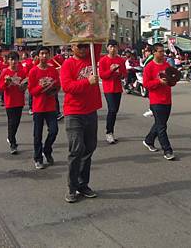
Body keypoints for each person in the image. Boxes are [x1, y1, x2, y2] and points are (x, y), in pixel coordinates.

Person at [60, 42, 102, 203]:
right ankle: (72, 187)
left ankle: (83, 185)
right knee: (76, 149)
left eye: (86, 46)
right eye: (80, 46)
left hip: (91, 111)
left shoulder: (92, 57)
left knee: (89, 148)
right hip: (74, 113)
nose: (84, 49)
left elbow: (97, 39)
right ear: (72, 47)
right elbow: (67, 86)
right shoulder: (68, 64)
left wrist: (89, 18)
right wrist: (87, 82)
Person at [28, 46, 60, 169]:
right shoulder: (33, 71)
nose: (44, 56)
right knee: (37, 135)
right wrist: (42, 86)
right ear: (38, 56)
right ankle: (38, 158)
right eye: (42, 53)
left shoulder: (52, 70)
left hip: (51, 107)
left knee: (54, 131)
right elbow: (32, 91)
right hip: (38, 107)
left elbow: (58, 85)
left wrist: (53, 88)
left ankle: (47, 150)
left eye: (46, 53)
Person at [142, 43, 176, 160]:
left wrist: (172, 80)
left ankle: (149, 140)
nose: (163, 53)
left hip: (167, 99)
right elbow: (146, 84)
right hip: (156, 101)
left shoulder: (167, 65)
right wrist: (158, 82)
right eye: (160, 51)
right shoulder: (149, 67)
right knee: (162, 127)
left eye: (163, 51)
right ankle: (167, 150)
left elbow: (172, 81)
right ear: (154, 52)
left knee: (160, 124)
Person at [98, 40, 127, 144]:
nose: (113, 49)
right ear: (107, 48)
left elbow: (124, 74)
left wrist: (119, 73)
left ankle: (111, 131)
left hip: (118, 88)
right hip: (108, 88)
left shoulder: (121, 60)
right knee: (112, 109)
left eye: (115, 46)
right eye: (111, 46)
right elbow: (102, 75)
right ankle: (109, 132)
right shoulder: (103, 60)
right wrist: (111, 70)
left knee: (115, 111)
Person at [0, 52, 27, 154]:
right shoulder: (5, 72)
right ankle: (13, 143)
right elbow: (1, 88)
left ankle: (10, 136)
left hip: (19, 100)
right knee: (12, 122)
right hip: (9, 101)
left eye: (16, 59)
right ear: (8, 61)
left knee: (17, 122)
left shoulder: (22, 72)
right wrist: (6, 83)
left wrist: (23, 86)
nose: (14, 62)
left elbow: (25, 86)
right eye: (12, 59)